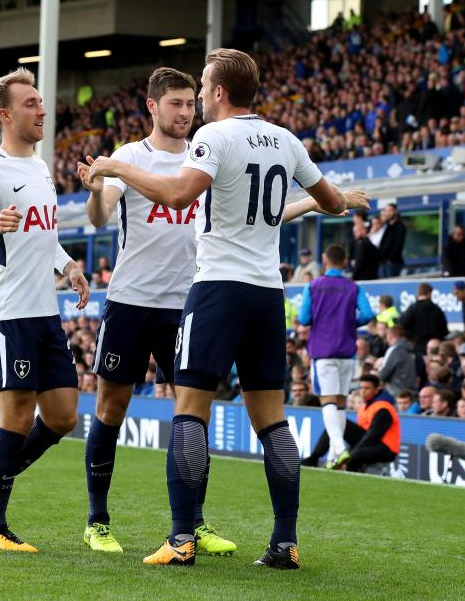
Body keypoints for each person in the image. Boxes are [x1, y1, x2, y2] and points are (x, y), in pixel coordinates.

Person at [87, 48, 346, 569]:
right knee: (273, 422)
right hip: (268, 294)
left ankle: (182, 536)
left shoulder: (213, 137)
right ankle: (285, 543)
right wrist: (338, 199)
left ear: (220, 92)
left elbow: (182, 196)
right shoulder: (286, 139)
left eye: (202, 89)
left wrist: (115, 166)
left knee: (190, 409)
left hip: (216, 291)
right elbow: (333, 203)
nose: (199, 99)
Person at [76, 67, 235, 555]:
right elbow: (101, 216)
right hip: (130, 302)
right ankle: (97, 521)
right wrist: (95, 188)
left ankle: (194, 523)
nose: (187, 113)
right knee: (110, 409)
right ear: (153, 106)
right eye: (176, 104)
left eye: (191, 103)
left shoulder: (205, 157)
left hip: (187, 305)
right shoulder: (129, 157)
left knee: (194, 414)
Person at [0, 67, 90, 554]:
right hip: (7, 311)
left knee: (63, 417)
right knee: (15, 417)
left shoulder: (38, 166)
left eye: (41, 101)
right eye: (31, 102)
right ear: (6, 114)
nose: (42, 109)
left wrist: (69, 264)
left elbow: (41, 234)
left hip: (43, 312)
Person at [299, 243, 374, 470]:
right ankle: (334, 457)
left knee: (328, 401)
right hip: (347, 350)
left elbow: (304, 319)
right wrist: (350, 322)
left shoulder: (313, 286)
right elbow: (368, 314)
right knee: (340, 402)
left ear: (325, 259)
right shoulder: (353, 287)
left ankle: (340, 449)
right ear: (344, 262)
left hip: (323, 350)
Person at [301, 375, 400, 472]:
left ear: (376, 390)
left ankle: (349, 475)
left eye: (367, 388)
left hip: (386, 449)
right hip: (370, 442)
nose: (363, 391)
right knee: (336, 424)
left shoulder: (383, 408)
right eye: (361, 388)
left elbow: (374, 435)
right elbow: (364, 434)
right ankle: (313, 458)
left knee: (355, 454)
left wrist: (353, 451)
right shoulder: (365, 406)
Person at [399, 282, 448, 357]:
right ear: (430, 293)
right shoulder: (437, 310)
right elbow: (444, 331)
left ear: (418, 293)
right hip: (435, 348)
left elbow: (401, 326)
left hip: (417, 348)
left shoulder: (412, 309)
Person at [377, 325, 417, 398]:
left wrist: (379, 366)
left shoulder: (394, 350)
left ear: (390, 336)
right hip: (410, 394)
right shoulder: (410, 351)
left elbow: (383, 374)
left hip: (396, 394)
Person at [378, 203, 406, 278]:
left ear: (395, 211)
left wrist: (390, 259)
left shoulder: (400, 226)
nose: (388, 213)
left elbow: (398, 244)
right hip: (383, 262)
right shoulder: (387, 226)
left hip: (393, 263)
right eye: (386, 211)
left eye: (390, 211)